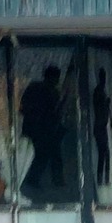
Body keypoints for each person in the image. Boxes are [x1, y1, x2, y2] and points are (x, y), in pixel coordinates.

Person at [18, 64, 70, 201]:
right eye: (56, 78)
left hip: (41, 129)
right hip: (42, 129)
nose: (57, 81)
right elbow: (52, 112)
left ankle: (47, 180)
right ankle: (40, 180)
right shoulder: (47, 91)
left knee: (45, 155)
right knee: (44, 155)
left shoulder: (38, 88)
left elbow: (23, 107)